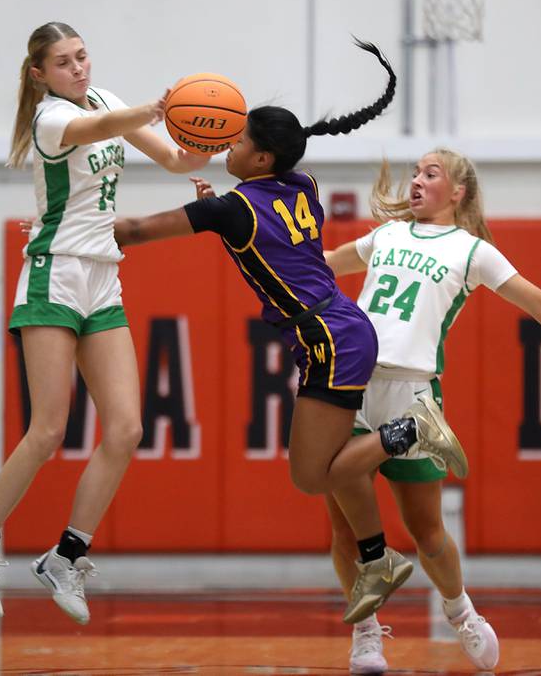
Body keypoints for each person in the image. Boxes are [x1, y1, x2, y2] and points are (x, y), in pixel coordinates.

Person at [112, 39, 468, 625]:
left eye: (239, 138)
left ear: (260, 160)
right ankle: (377, 558)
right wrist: (216, 205)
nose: (230, 142)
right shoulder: (300, 186)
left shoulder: (234, 208)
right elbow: (261, 225)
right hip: (341, 328)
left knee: (310, 475)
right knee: (335, 461)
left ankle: (413, 429)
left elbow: (136, 231)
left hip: (329, 337)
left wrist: (70, 226)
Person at [322, 148, 541, 672]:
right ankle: (366, 634)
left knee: (427, 532)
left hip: (413, 395)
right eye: (415, 173)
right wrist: (244, 232)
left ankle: (460, 611)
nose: (416, 181)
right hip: (350, 384)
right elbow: (318, 266)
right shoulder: (385, 235)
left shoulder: (473, 252)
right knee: (344, 531)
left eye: (430, 174)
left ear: (457, 192)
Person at [0, 21, 209, 625]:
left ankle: (66, 556)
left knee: (126, 429)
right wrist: (158, 106)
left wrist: (208, 138)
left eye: (82, 57)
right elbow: (101, 129)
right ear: (40, 73)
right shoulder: (50, 119)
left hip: (103, 276)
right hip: (55, 272)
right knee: (48, 431)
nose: (79, 69)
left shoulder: (108, 100)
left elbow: (171, 156)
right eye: (63, 62)